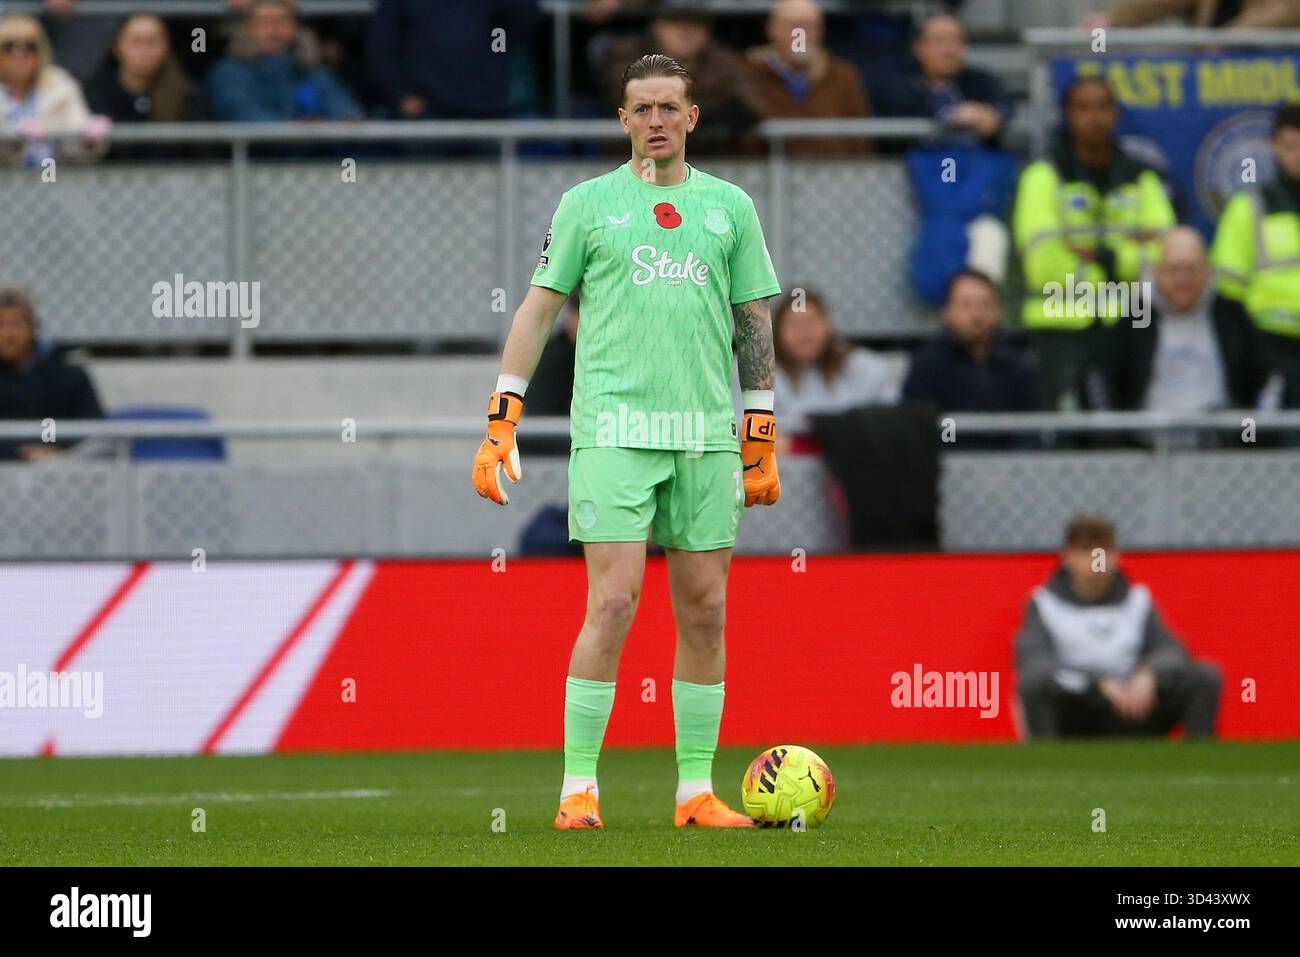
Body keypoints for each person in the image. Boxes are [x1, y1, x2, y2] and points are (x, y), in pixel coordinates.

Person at [472, 54, 783, 830]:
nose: (654, 121)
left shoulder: (730, 208)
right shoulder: (587, 205)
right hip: (614, 430)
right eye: (640, 108)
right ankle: (579, 788)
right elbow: (539, 310)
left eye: (668, 107)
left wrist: (761, 425)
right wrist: (503, 411)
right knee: (612, 601)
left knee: (706, 609)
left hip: (707, 437)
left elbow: (754, 322)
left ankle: (695, 793)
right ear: (622, 119)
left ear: (691, 117)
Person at [1012, 76, 1176, 411]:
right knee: (1067, 439)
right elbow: (1043, 263)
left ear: (1116, 115)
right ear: (1068, 115)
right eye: (1083, 108)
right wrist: (1125, 258)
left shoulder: (1141, 177)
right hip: (1061, 329)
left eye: (1103, 107)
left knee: (1129, 433)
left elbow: (1165, 253)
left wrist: (1100, 255)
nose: (1094, 117)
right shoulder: (1043, 176)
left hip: (1131, 324)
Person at [1015, 515, 1221, 740]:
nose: (1097, 561)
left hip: (1133, 709)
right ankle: (1048, 768)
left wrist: (1149, 675)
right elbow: (1034, 666)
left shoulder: (1137, 601)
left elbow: (1173, 652)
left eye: (1104, 551)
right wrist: (1096, 682)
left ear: (1116, 556)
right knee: (1034, 685)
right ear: (1067, 557)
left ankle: (1195, 766)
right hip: (1078, 713)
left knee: (1205, 677)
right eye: (1086, 551)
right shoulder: (1044, 604)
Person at [1210, 104, 1300, 410]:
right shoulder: (1249, 207)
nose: (1298, 155)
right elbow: (1228, 296)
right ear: (1274, 147)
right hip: (1270, 352)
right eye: (1291, 146)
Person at [600, 13, 759, 153]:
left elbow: (752, 105)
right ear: (656, 26)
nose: (685, 30)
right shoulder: (627, 54)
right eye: (674, 21)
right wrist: (712, 115)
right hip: (636, 160)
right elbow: (628, 98)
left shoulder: (727, 61)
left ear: (709, 29)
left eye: (695, 22)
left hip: (713, 158)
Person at [366, 0, 539, 121]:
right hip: (425, 110)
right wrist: (401, 94)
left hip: (487, 107)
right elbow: (382, 45)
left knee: (491, 171)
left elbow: (523, 20)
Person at [902, 269, 1036, 420]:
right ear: (947, 311)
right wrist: (953, 441)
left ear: (998, 311)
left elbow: (1029, 426)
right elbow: (919, 428)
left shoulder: (1018, 365)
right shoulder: (927, 365)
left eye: (986, 305)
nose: (977, 315)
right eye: (966, 305)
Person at [745, 0, 873, 157]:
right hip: (760, 178)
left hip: (834, 176)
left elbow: (861, 145)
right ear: (772, 29)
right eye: (793, 26)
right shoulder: (747, 75)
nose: (802, 37)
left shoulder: (844, 77)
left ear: (821, 31)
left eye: (810, 27)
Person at [773, 287, 896, 450]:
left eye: (812, 321)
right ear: (778, 331)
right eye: (794, 324)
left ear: (828, 324)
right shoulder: (760, 376)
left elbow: (890, 423)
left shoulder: (862, 367)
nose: (804, 332)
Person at [207, 0, 361, 122]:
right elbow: (242, 114)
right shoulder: (229, 72)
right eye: (264, 23)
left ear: (296, 28)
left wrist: (347, 118)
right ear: (246, 29)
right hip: (252, 159)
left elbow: (343, 108)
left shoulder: (309, 70)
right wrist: (299, 130)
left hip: (310, 158)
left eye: (282, 22)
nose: (274, 31)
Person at [872, 13, 1010, 147]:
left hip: (975, 164)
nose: (949, 50)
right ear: (919, 47)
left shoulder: (981, 81)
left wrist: (991, 116)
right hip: (915, 165)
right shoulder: (897, 85)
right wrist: (951, 115)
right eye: (939, 40)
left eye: (956, 40)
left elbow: (1004, 109)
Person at [0, 286, 105, 461]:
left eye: (16, 324)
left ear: (33, 327)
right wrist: (20, 451)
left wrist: (55, 452)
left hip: (67, 469)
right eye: (0, 325)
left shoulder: (70, 374)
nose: (8, 334)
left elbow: (95, 430)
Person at [85, 14, 199, 160]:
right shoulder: (96, 94)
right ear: (117, 46)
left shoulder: (187, 95)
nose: (145, 50)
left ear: (167, 45)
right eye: (136, 41)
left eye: (153, 41)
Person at [1140, 227, 1229, 413]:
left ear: (1207, 271)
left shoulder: (1230, 316)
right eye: (1173, 270)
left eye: (1191, 269)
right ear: (1157, 272)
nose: (1183, 279)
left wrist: (1248, 440)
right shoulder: (1135, 318)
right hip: (1148, 438)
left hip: (1222, 438)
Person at [0, 14, 107, 166]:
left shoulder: (60, 84)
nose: (20, 54)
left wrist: (88, 139)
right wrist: (15, 138)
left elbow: (77, 130)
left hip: (52, 178)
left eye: (29, 46)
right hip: (6, 183)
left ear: (41, 51)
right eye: (9, 47)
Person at [1081, 0, 1300, 30]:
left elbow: (1288, 9)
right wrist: (1112, 19)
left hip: (1277, 75)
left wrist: (1231, 38)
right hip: (1215, 78)